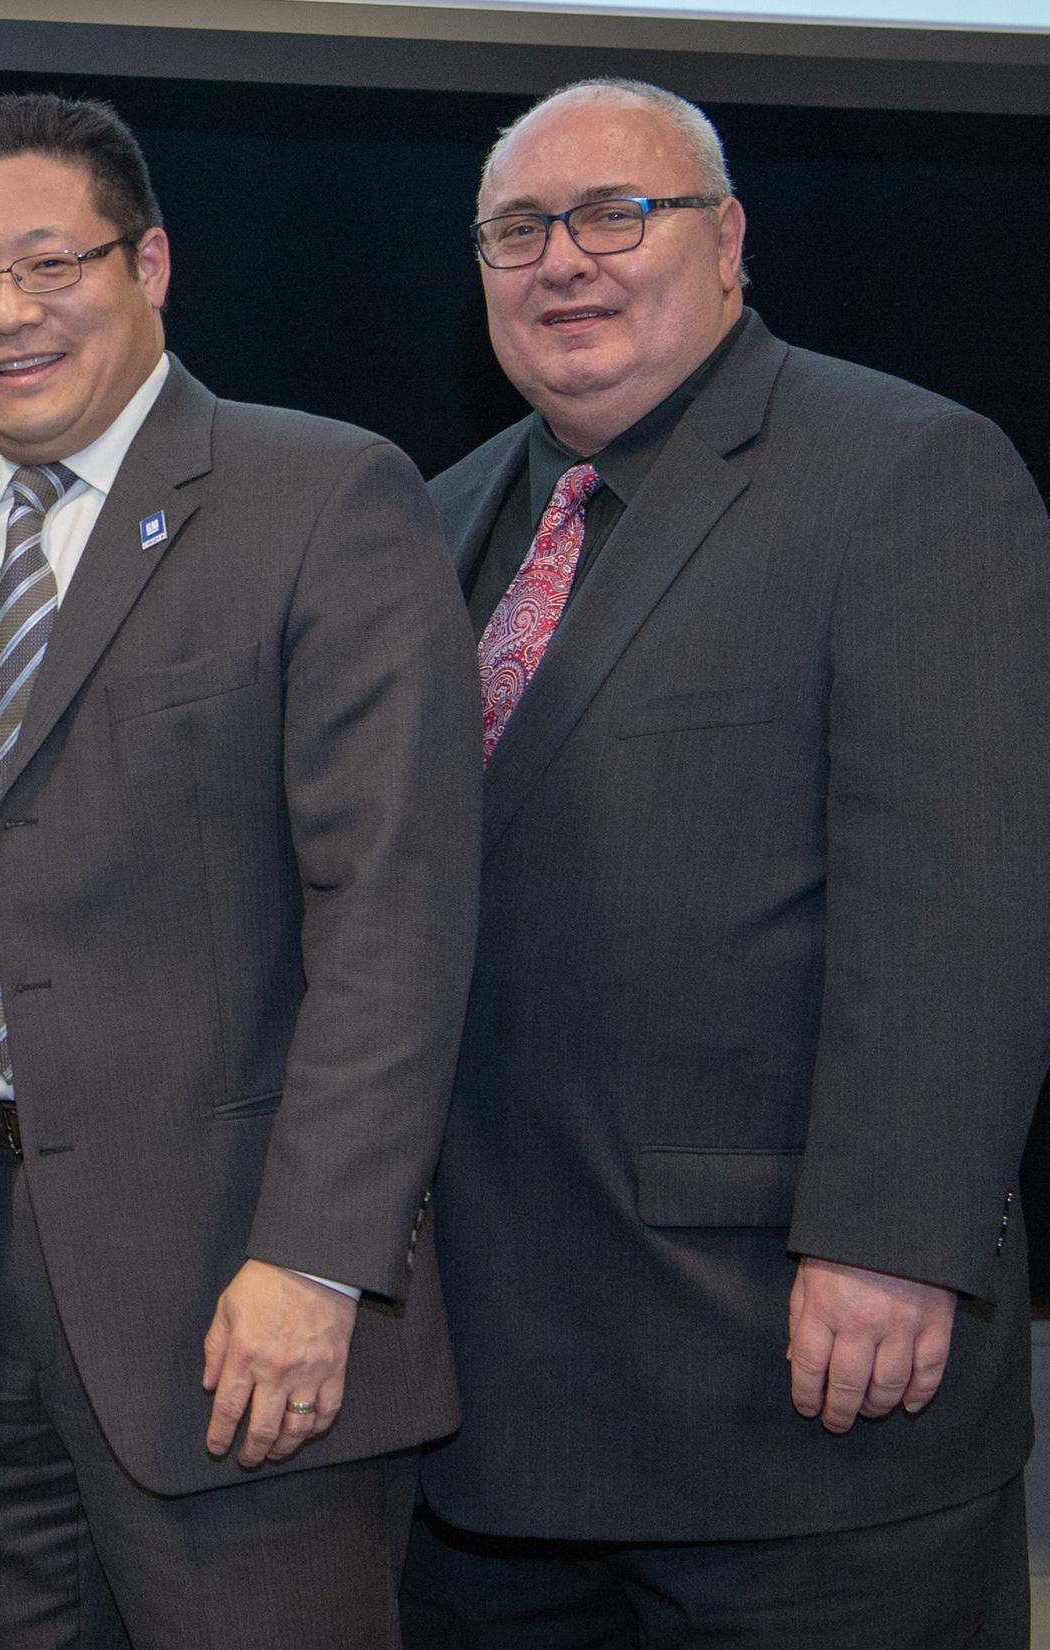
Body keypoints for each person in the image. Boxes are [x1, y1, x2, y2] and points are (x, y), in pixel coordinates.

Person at [0, 92, 480, 1648]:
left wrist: (317, 1258)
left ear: (151, 265)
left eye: (48, 263)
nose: (6, 312)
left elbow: (393, 913)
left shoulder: (324, 496)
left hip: (238, 1282)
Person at [403, 78, 1050, 1650]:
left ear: (730, 238)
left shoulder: (906, 471)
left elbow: (957, 898)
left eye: (616, 215)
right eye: (517, 230)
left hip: (796, 1391)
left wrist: (897, 1234)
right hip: (483, 1418)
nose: (565, 261)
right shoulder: (433, 517)